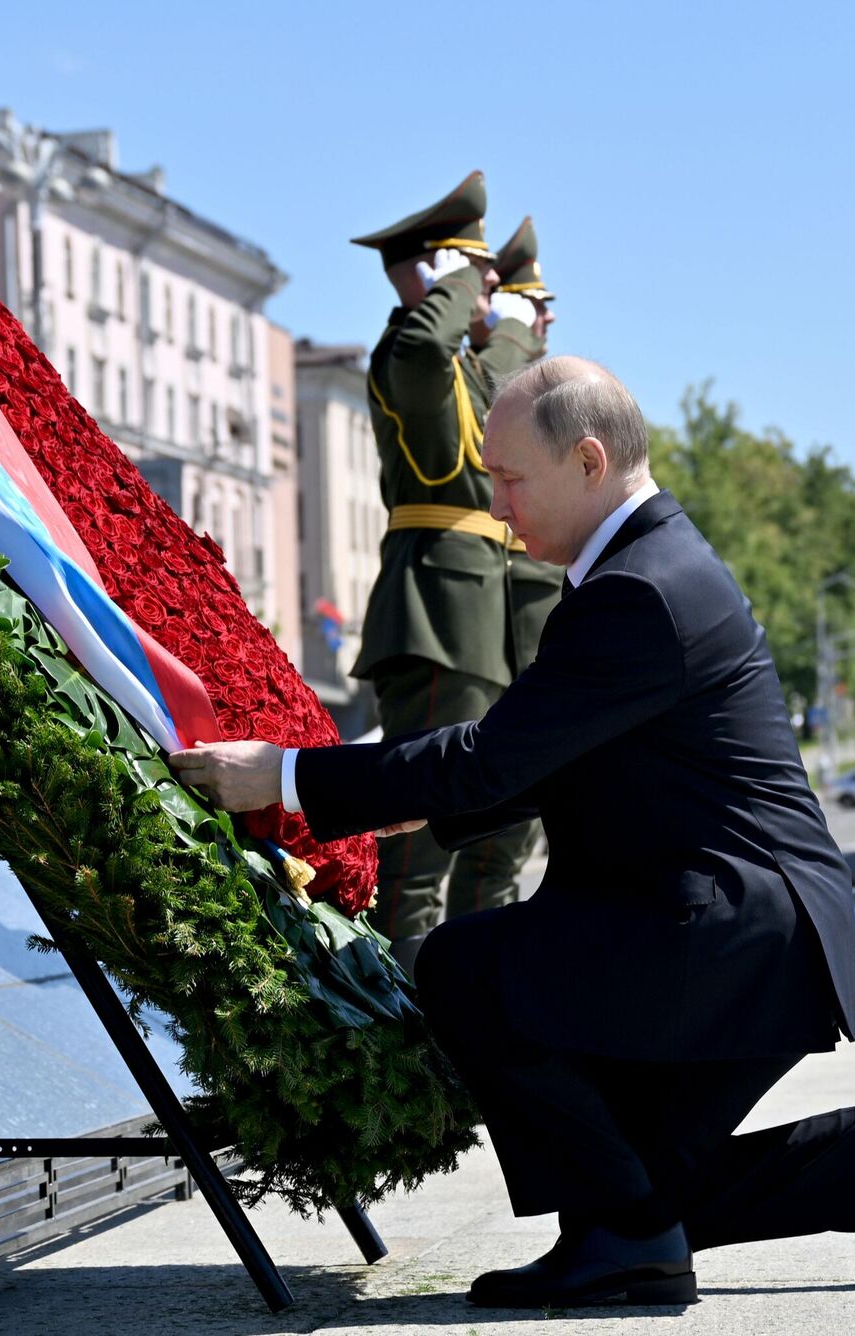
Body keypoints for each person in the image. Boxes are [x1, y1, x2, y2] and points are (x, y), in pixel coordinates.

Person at [171, 356, 855, 1310]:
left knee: (466, 969)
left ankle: (633, 1253)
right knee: (637, 1186)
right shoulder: (642, 570)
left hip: (734, 932)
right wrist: (397, 796)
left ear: (589, 460)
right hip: (746, 925)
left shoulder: (640, 590)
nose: (498, 505)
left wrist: (287, 775)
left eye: (510, 478)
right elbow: (542, 758)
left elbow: (496, 757)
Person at [346, 175, 548, 968]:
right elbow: (430, 342)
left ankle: (469, 1011)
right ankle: (405, 1030)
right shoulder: (410, 358)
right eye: (476, 273)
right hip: (435, 613)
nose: (486, 293)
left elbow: (507, 380)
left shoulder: (463, 376)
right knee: (420, 848)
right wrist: (459, 280)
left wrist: (519, 326)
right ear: (431, 272)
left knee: (494, 835)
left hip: (484, 621)